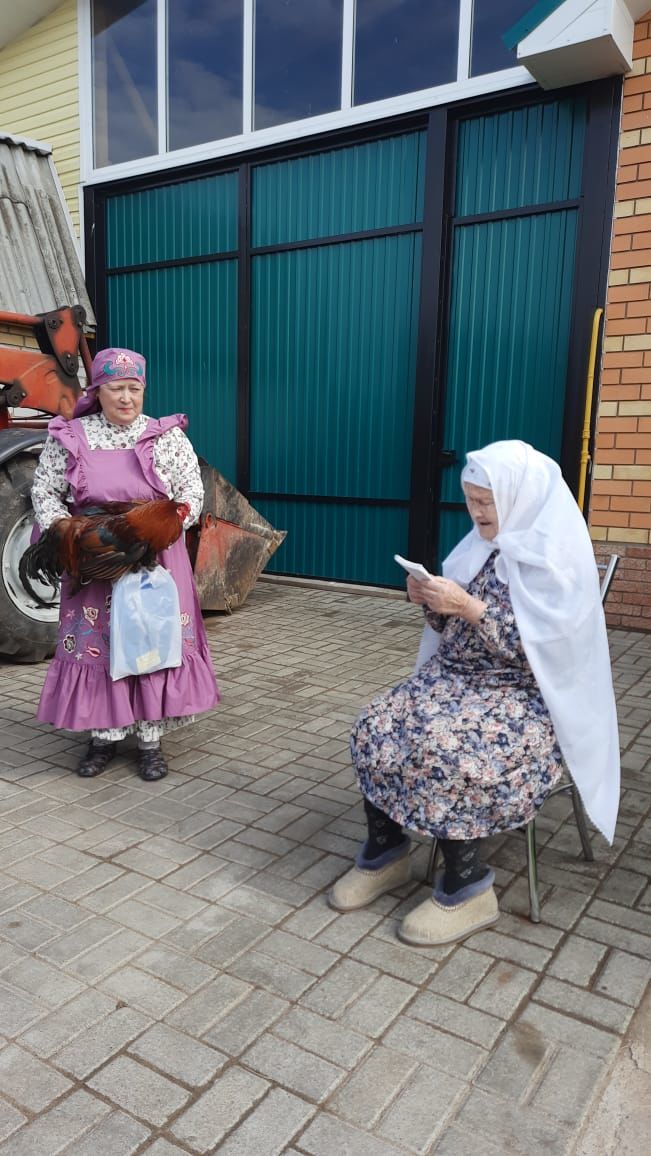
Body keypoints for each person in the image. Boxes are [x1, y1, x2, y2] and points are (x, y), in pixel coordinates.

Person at [329, 440, 620, 946]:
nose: (476, 511)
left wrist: (469, 607)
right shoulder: (479, 546)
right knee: (377, 723)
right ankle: (388, 853)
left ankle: (467, 887)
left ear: (519, 496)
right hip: (455, 680)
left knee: (449, 746)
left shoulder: (559, 562)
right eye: (471, 499)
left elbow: (549, 657)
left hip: (524, 696)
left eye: (487, 501)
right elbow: (450, 629)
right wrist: (433, 602)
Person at [31, 346, 219, 780]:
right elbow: (44, 492)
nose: (126, 398)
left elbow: (192, 490)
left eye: (134, 389)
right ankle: (102, 739)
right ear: (98, 391)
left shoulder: (166, 436)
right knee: (102, 646)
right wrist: (67, 532)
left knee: (153, 642)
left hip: (155, 562)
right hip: (96, 564)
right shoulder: (72, 435)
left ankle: (150, 742)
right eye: (116, 388)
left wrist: (156, 533)